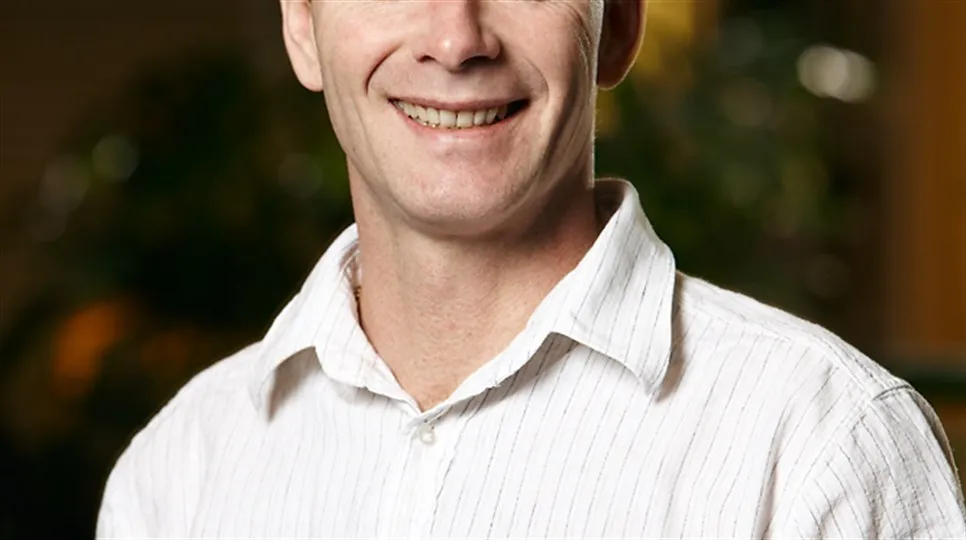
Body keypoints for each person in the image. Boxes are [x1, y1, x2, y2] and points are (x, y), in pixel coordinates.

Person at [96, 0, 966, 537]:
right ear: (302, 26)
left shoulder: (820, 447)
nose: (456, 38)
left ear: (619, 24)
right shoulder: (178, 472)